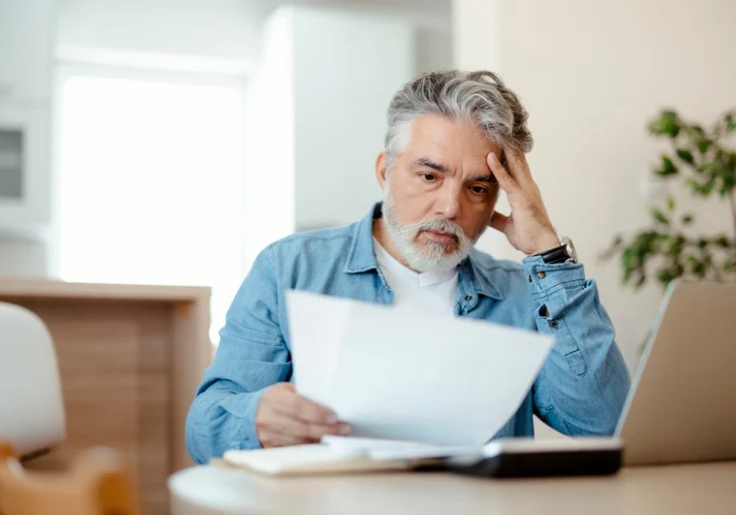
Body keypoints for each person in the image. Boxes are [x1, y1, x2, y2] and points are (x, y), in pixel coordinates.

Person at [186, 70, 631, 464]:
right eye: (429, 176)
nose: (451, 206)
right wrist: (257, 418)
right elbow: (203, 429)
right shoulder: (289, 268)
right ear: (385, 172)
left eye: (478, 188)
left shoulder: (520, 295)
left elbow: (603, 424)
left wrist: (548, 256)